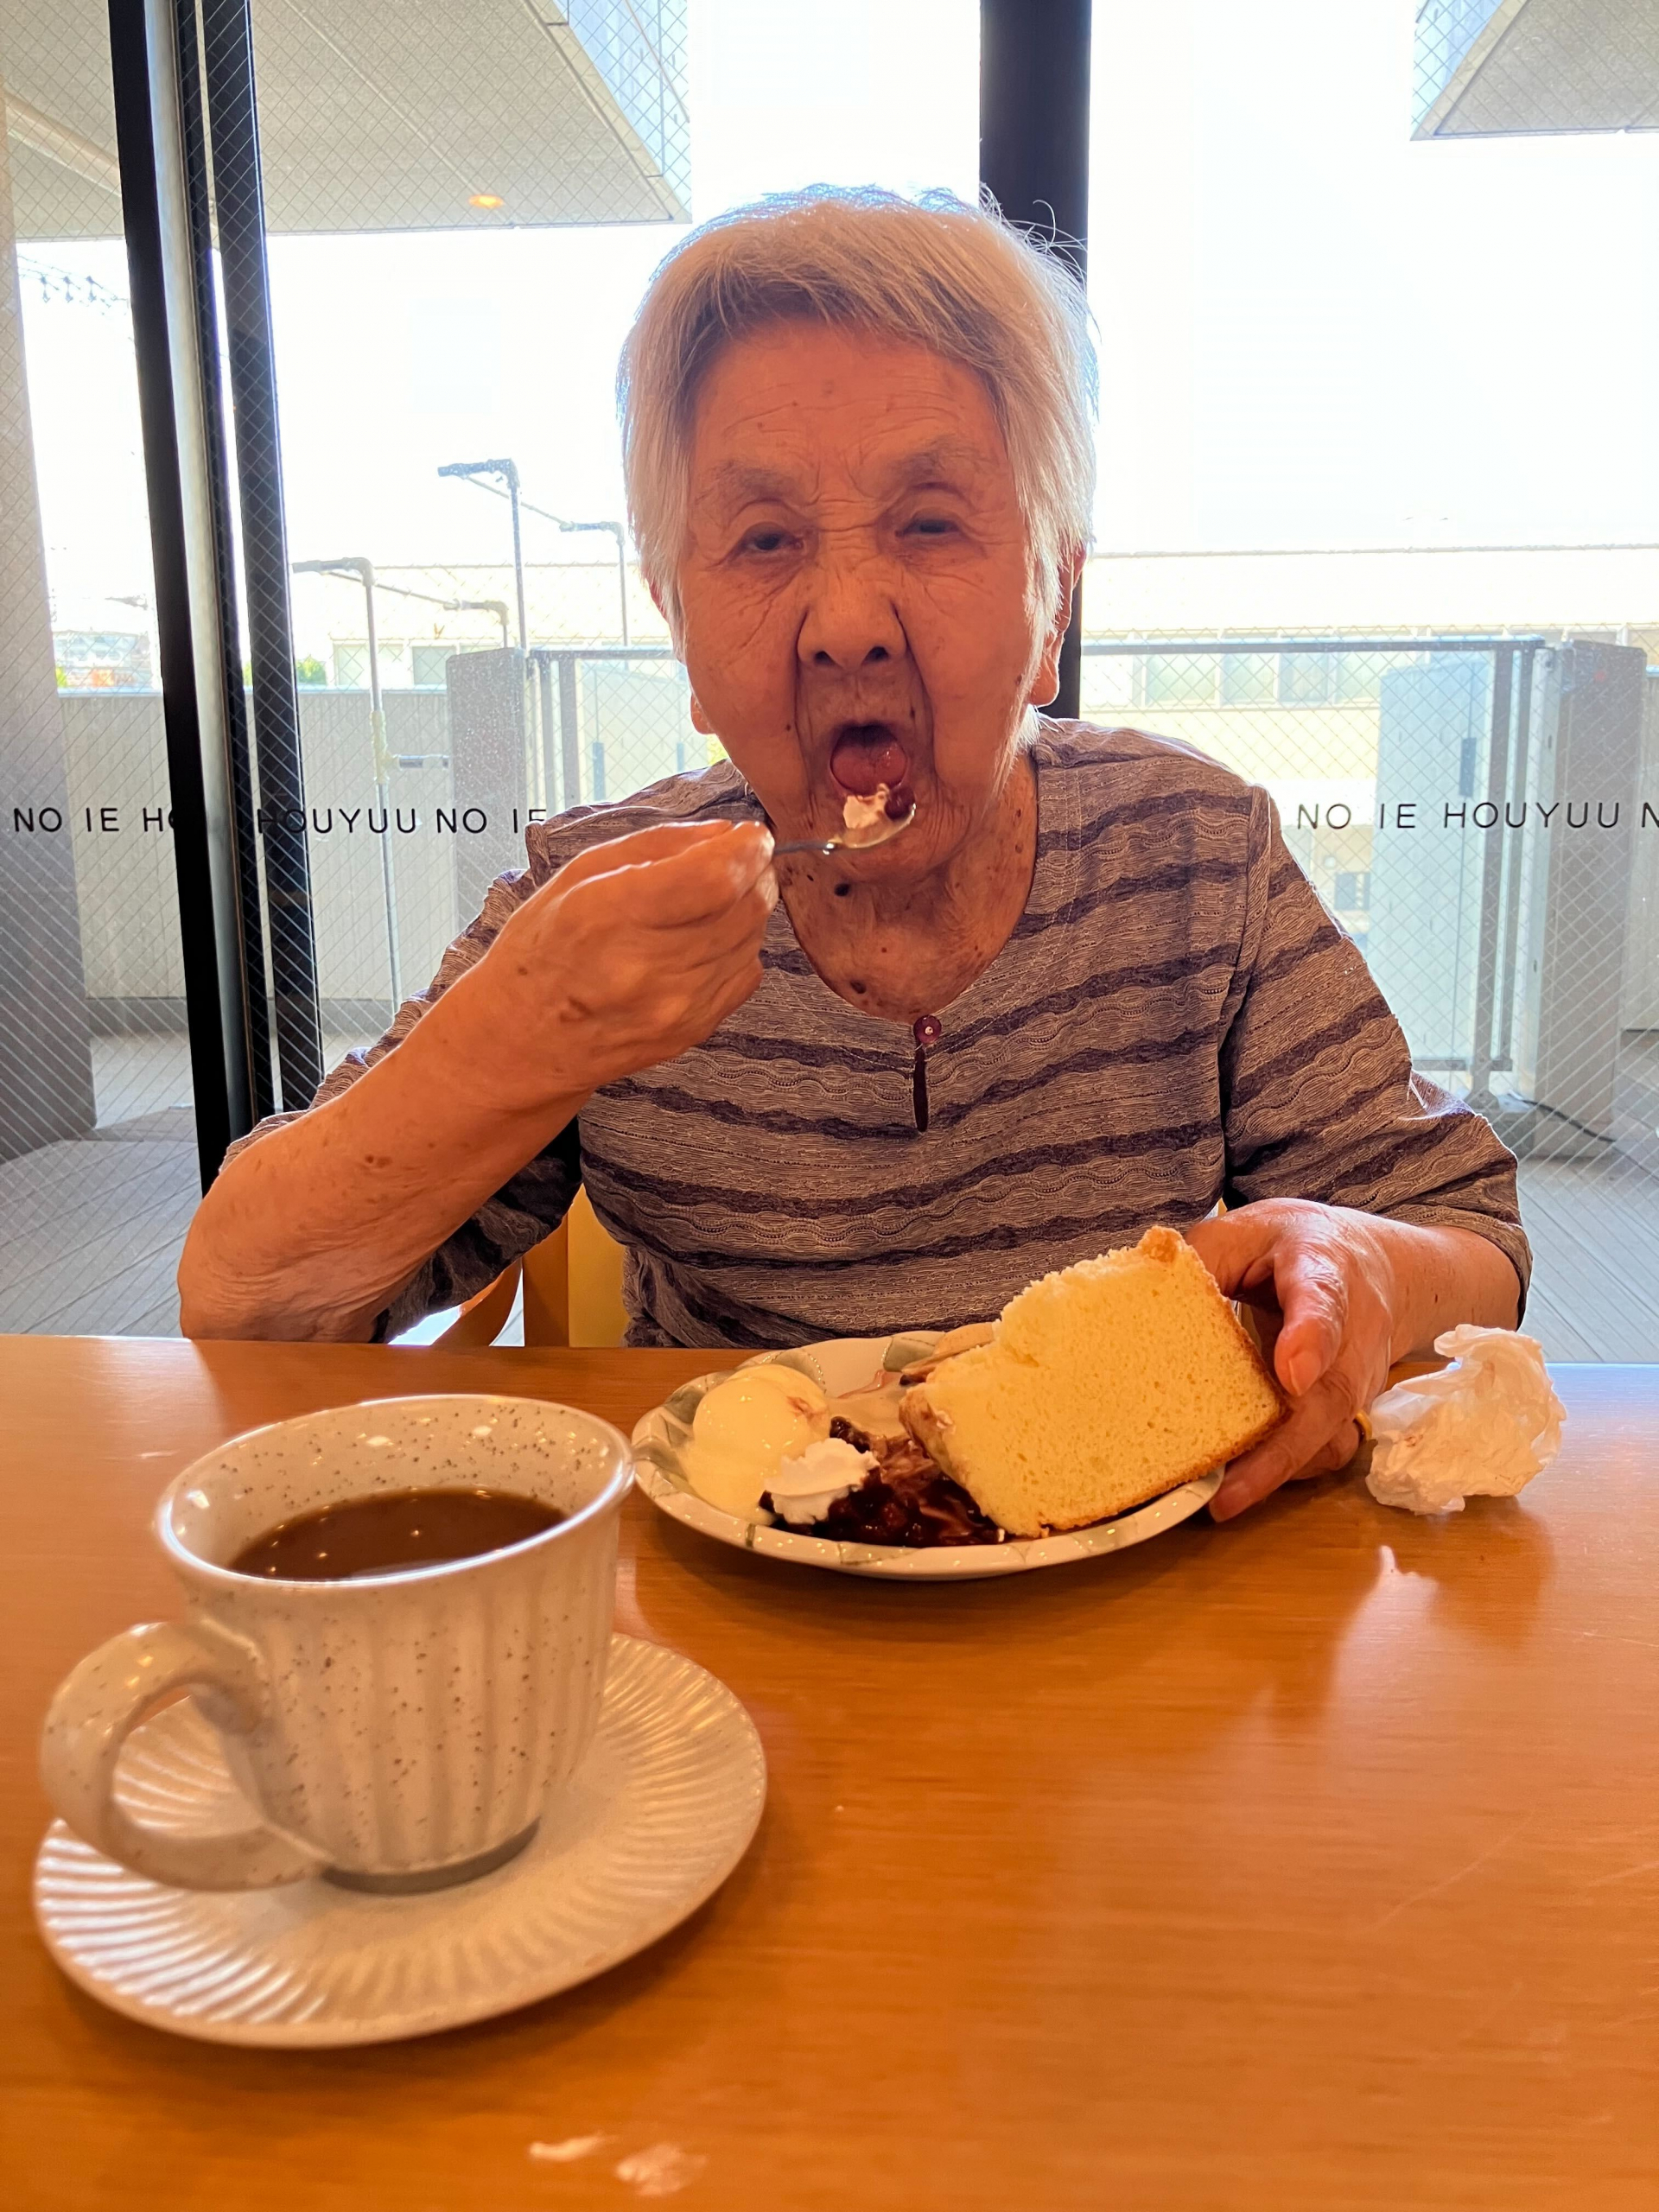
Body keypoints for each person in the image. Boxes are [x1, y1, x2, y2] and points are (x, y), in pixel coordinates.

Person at [179, 186, 1525, 1520]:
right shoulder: (604, 907)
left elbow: (1472, 1230)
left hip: (1141, 1597)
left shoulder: (1195, 855)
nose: (845, 625)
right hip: (724, 1587)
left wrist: (1364, 1265)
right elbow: (241, 1300)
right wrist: (517, 1038)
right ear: (680, 626)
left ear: (1053, 599)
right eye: (763, 541)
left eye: (929, 523)